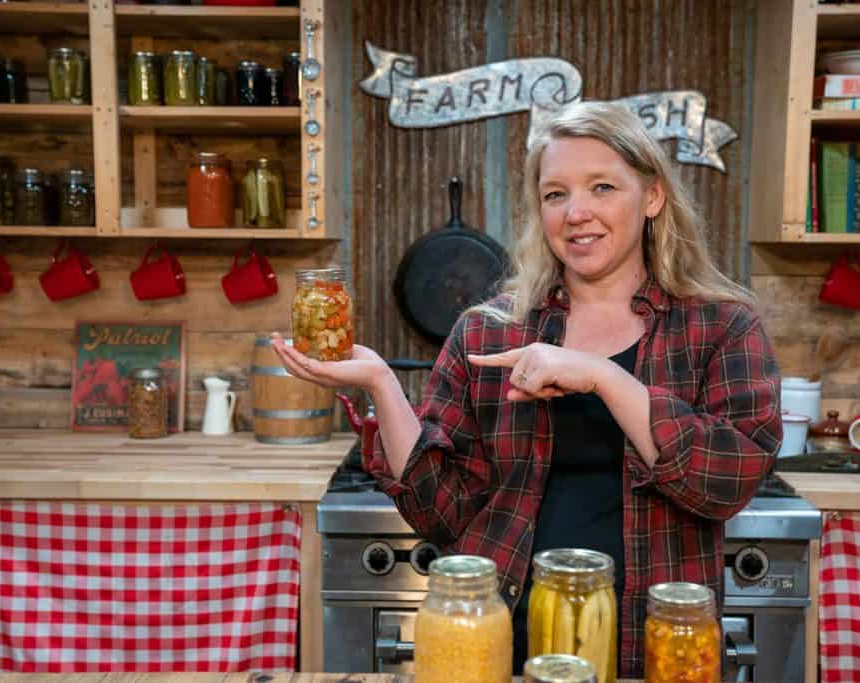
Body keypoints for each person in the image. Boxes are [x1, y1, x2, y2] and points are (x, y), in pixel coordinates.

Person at [271, 100, 781, 678]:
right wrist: (381, 385)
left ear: (653, 197)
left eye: (602, 187)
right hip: (503, 641)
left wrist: (605, 377)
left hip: (657, 647)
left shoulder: (720, 326)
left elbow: (730, 479)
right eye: (555, 193)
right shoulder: (489, 330)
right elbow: (445, 512)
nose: (576, 212)